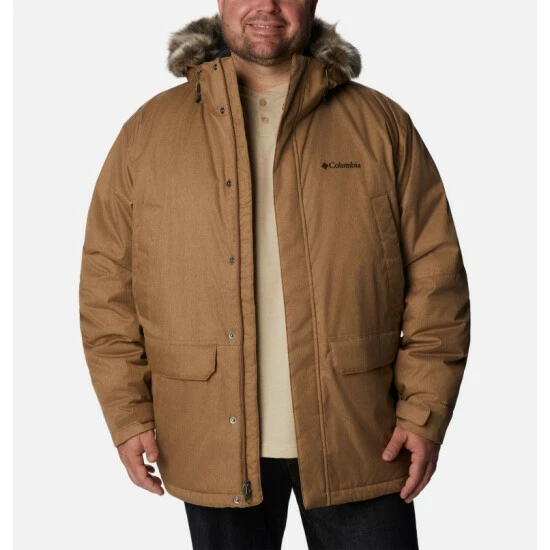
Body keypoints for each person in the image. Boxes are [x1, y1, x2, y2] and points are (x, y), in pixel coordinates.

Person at [78, 0, 471, 548]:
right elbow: (107, 287)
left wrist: (424, 412)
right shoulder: (149, 132)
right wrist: (128, 414)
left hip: (363, 437)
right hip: (207, 439)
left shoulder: (380, 124)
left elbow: (437, 280)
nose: (266, 5)